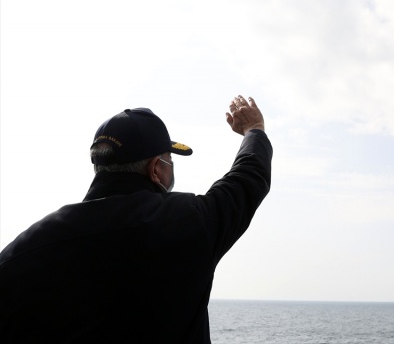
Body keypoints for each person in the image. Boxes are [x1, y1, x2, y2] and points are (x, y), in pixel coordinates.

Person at [0, 95, 272, 343]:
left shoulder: (23, 251)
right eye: (169, 160)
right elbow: (248, 178)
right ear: (156, 169)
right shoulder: (190, 222)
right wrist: (254, 130)